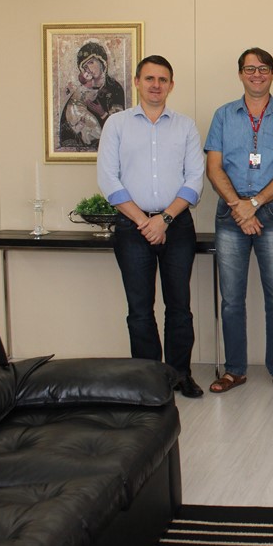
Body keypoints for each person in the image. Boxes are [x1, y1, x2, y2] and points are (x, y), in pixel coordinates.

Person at [97, 55, 205, 398]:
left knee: (179, 308)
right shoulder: (116, 125)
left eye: (162, 79)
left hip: (177, 226)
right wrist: (145, 222)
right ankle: (147, 380)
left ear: (171, 85)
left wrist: (165, 219)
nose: (156, 85)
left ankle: (179, 375)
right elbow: (108, 179)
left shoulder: (185, 126)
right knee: (140, 311)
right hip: (133, 227)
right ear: (136, 82)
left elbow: (195, 179)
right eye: (149, 78)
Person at [205, 48, 273, 396]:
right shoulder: (223, 115)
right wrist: (239, 206)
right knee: (231, 299)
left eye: (263, 69)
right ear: (240, 74)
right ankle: (234, 370)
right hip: (230, 213)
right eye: (250, 69)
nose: (257, 75)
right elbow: (213, 167)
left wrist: (255, 204)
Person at [61, 41, 127, 150]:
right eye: (85, 66)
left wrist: (102, 114)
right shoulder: (81, 91)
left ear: (102, 62)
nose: (89, 68)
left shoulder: (114, 88)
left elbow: (120, 127)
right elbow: (66, 129)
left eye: (91, 62)